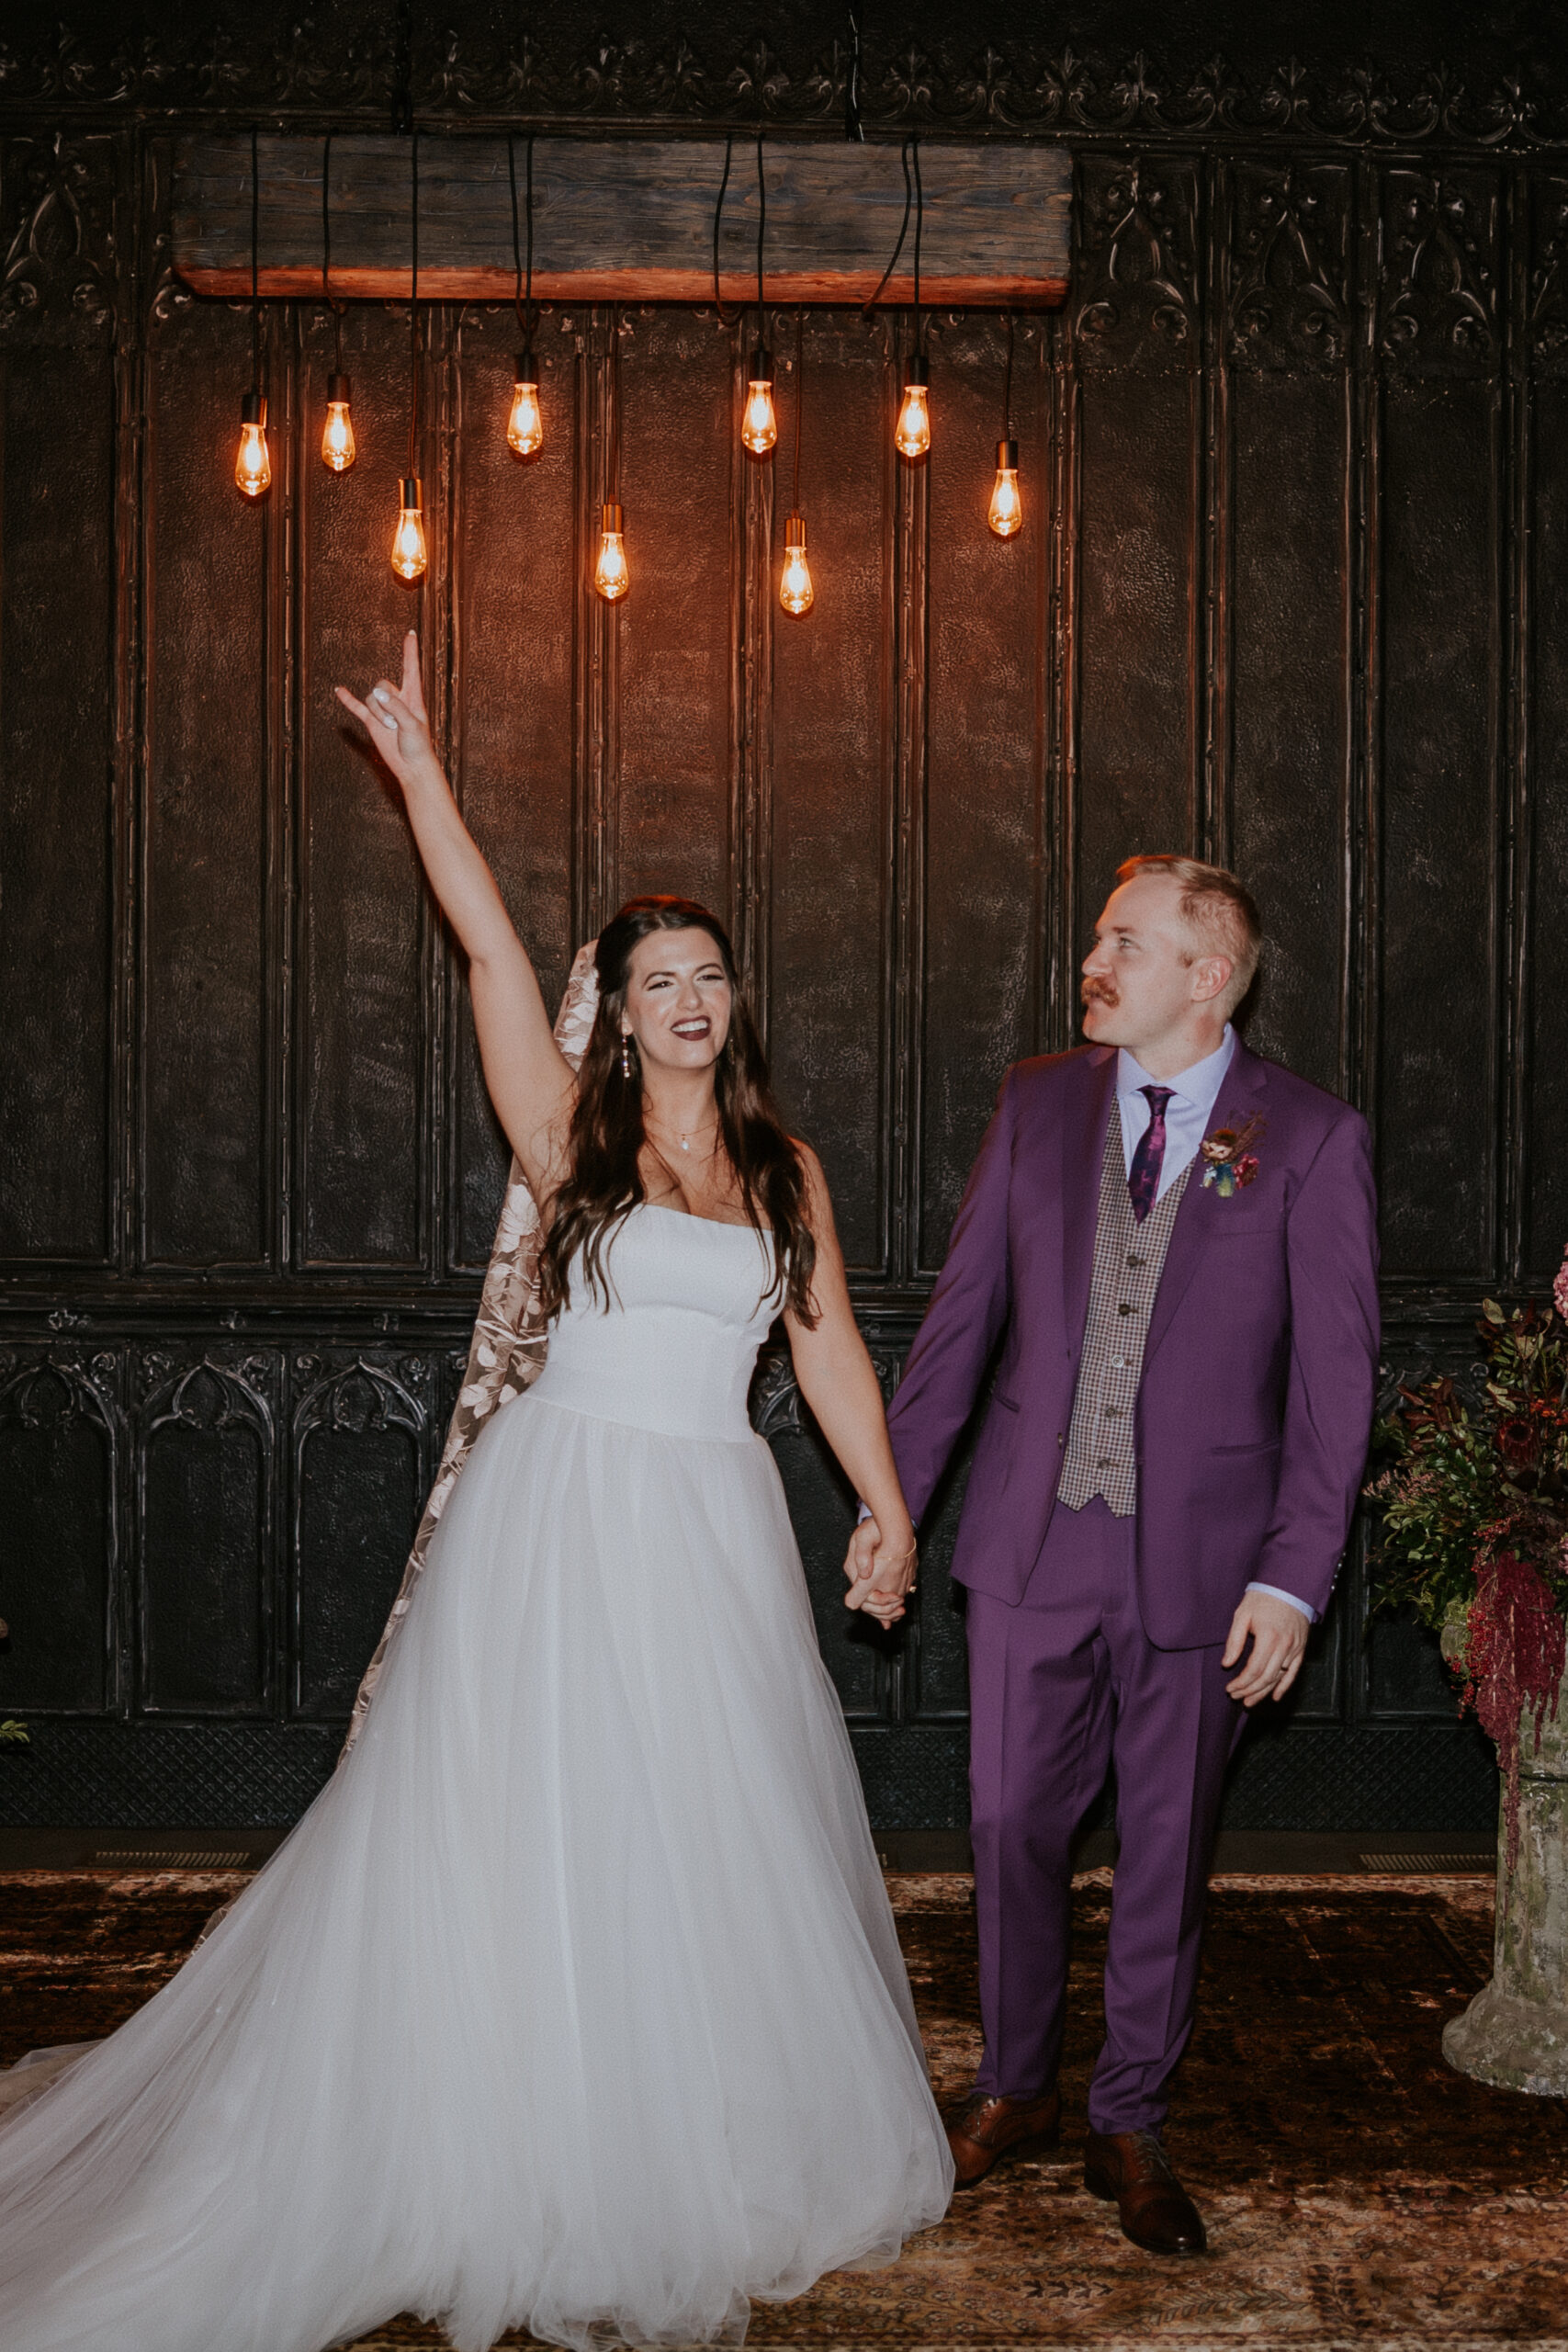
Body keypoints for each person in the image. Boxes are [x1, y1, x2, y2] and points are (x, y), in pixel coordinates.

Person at [0, 632, 952, 2352]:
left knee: (700, 1832)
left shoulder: (783, 1163)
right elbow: (490, 947)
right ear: (621, 1002)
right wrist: (422, 776)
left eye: (710, 977)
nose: (689, 1001)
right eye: (659, 977)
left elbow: (826, 1355)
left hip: (715, 1524)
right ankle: (502, 2129)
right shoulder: (565, 1133)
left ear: (736, 1002)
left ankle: (684, 2132)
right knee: (528, 1823)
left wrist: (885, 1505)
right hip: (562, 1516)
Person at [850, 854, 1379, 2256]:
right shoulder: (1037, 1103)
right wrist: (892, 1508)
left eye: (1126, 944)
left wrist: (1293, 1575)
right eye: (1098, 939)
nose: (1096, 961)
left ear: (1208, 976)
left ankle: (1127, 2113)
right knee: (1010, 1823)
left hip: (1206, 1572)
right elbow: (960, 1326)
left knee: (1165, 1849)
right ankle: (1014, 2085)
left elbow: (1337, 1387)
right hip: (1031, 1539)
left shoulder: (1311, 1139)